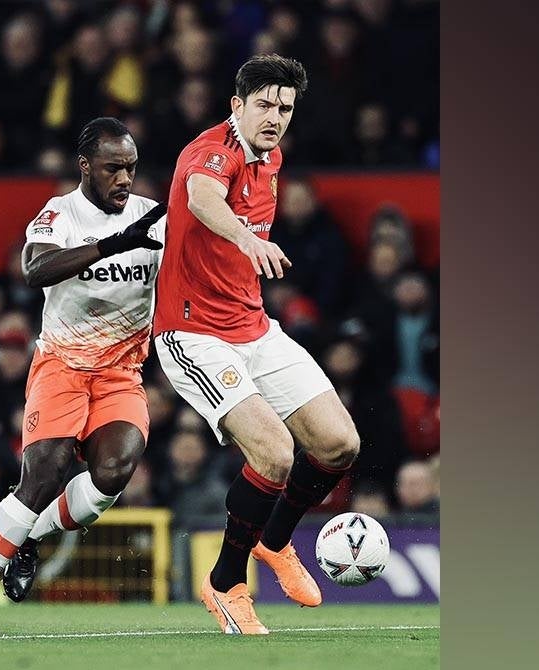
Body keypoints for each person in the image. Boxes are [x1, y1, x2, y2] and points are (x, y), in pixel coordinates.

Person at [152, 54, 360, 635]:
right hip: (193, 333)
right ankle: (225, 585)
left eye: (285, 108)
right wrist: (245, 236)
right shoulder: (209, 152)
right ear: (236, 105)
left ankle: (274, 542)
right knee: (273, 453)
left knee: (340, 444)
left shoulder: (273, 159)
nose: (275, 117)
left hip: (254, 327)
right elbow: (200, 199)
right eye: (264, 105)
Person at [0, 117, 166, 633]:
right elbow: (35, 270)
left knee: (113, 474)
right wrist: (114, 245)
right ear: (85, 166)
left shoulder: (154, 218)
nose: (124, 179)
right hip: (61, 365)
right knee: (42, 476)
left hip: (120, 371)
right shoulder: (58, 214)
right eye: (113, 168)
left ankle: (30, 537)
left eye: (130, 168)